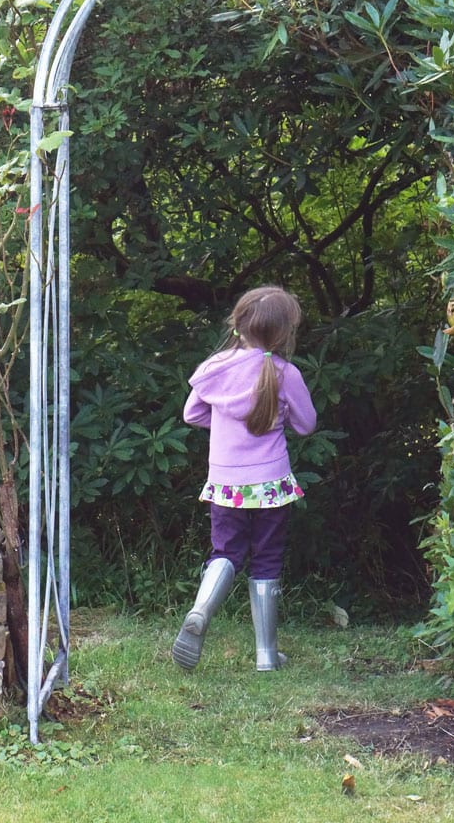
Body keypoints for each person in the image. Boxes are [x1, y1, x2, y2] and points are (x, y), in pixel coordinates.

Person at [172, 286, 316, 672]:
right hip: (271, 483)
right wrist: (277, 417)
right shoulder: (287, 374)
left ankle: (201, 609)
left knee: (226, 552)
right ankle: (267, 655)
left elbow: (192, 414)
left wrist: (223, 422)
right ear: (284, 333)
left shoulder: (215, 368)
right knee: (266, 560)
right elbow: (307, 425)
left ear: (236, 325)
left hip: (225, 482)